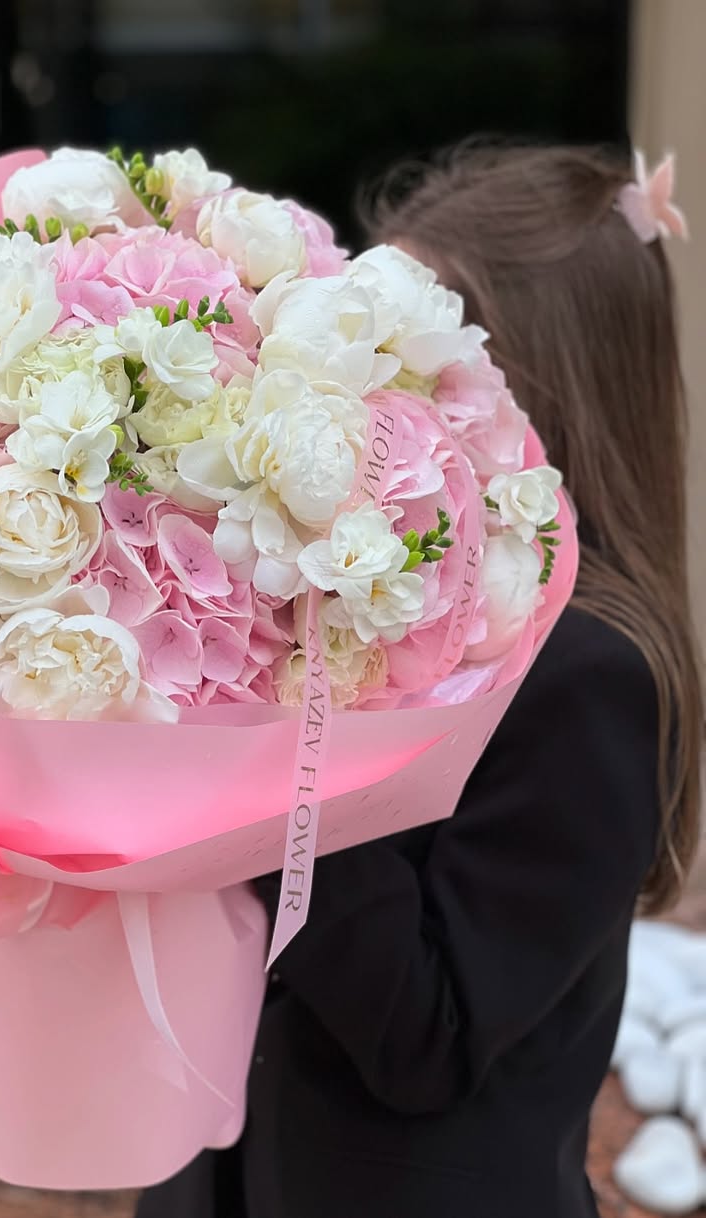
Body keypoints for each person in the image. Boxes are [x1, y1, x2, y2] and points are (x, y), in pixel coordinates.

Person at [135, 142, 704, 1218]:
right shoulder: (373, 585)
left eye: (402, 353)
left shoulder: (591, 674)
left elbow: (427, 1037)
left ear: (528, 378)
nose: (367, 385)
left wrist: (283, 717)